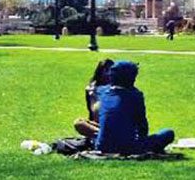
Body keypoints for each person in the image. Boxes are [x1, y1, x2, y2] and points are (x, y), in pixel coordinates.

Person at [25, 60, 177, 156]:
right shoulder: (136, 95)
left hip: (101, 144)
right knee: (168, 133)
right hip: (128, 147)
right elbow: (142, 125)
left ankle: (106, 134)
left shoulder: (102, 92)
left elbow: (94, 90)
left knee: (80, 123)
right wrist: (142, 143)